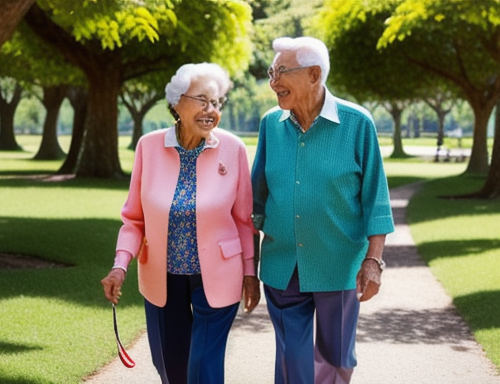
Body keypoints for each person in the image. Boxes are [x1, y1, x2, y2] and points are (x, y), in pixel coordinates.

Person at [101, 62, 260, 384]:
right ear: (176, 103)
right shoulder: (149, 147)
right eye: (202, 100)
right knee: (172, 369)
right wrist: (120, 265)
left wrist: (249, 273)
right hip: (163, 276)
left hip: (218, 273)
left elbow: (245, 221)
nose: (211, 110)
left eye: (216, 103)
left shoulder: (233, 149)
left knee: (202, 367)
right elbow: (134, 218)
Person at [251, 36, 395, 384]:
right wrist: (244, 265)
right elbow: (255, 199)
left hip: (340, 263)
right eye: (272, 72)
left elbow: (375, 198)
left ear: (314, 74)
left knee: (337, 358)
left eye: (282, 72)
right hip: (283, 262)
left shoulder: (358, 123)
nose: (273, 82)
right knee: (292, 360)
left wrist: (373, 261)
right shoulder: (271, 124)